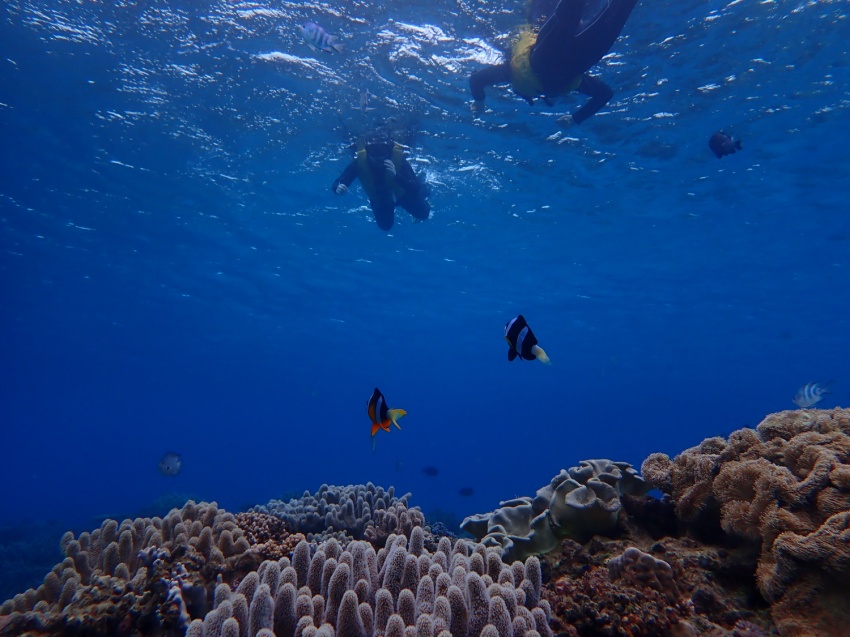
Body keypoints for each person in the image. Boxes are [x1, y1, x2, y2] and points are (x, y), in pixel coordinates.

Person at [469, 0, 638, 125]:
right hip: (564, 62)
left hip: (554, 61)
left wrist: (479, 102)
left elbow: (476, 80)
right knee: (616, 10)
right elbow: (604, 94)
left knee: (616, 12)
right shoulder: (513, 74)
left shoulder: (510, 72)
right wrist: (574, 119)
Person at [331, 135, 431, 231]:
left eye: (382, 154)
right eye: (374, 154)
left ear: (388, 153)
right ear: (368, 153)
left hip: (402, 194)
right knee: (385, 226)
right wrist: (338, 188)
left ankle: (425, 189)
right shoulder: (358, 164)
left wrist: (396, 176)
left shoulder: (400, 161)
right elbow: (339, 182)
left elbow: (415, 189)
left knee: (423, 214)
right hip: (380, 199)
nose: (379, 160)